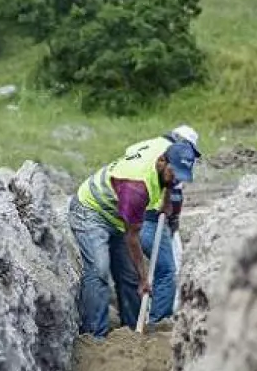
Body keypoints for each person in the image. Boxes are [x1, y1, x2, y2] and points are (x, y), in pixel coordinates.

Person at [69, 140, 198, 337]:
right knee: (99, 270)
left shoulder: (163, 151)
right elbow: (132, 237)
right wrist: (144, 278)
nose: (176, 179)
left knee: (128, 276)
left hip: (119, 214)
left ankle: (132, 335)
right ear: (162, 161)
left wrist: (166, 198)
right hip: (91, 211)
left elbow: (170, 178)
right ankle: (95, 337)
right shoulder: (136, 187)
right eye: (175, 173)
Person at [122, 125, 201, 324]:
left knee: (136, 271)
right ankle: (158, 321)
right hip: (150, 217)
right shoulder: (173, 160)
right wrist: (171, 223)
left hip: (130, 211)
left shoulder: (150, 146)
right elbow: (173, 198)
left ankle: (138, 319)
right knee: (167, 271)